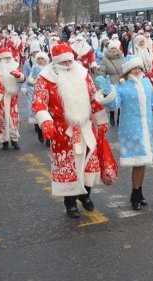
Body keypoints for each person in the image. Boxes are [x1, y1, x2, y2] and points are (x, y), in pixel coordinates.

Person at [31, 43, 109, 218]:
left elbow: (93, 98)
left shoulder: (82, 73)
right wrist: (45, 122)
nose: (67, 65)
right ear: (56, 62)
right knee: (68, 166)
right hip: (62, 129)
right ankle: (70, 202)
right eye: (63, 62)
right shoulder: (45, 78)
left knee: (89, 163)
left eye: (69, 61)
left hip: (85, 127)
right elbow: (38, 102)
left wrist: (101, 120)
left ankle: (85, 194)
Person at [95, 56, 153, 210]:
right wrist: (108, 91)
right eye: (134, 68)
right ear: (127, 70)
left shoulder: (146, 83)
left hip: (148, 128)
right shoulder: (122, 86)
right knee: (138, 163)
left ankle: (139, 192)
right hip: (132, 130)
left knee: (143, 162)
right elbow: (114, 105)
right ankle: (134, 193)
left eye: (139, 67)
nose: (137, 70)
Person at [98, 40, 124, 126]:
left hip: (122, 81)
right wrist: (103, 81)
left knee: (122, 100)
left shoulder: (122, 57)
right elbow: (102, 71)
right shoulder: (105, 59)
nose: (114, 50)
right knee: (112, 100)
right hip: (111, 81)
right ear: (109, 50)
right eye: (112, 48)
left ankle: (120, 118)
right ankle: (112, 116)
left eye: (115, 48)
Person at [26, 51, 50, 143]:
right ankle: (40, 131)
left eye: (42, 59)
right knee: (41, 114)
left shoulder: (49, 68)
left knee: (49, 115)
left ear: (46, 60)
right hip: (38, 94)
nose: (40, 60)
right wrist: (36, 81)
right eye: (38, 59)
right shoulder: (35, 68)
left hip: (48, 95)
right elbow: (30, 80)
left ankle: (48, 138)